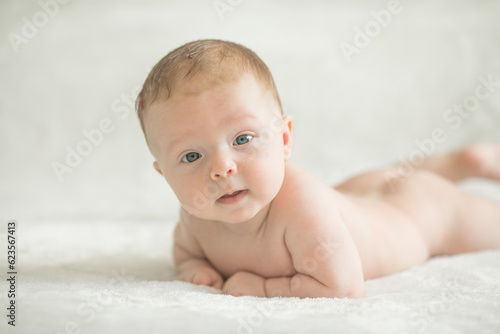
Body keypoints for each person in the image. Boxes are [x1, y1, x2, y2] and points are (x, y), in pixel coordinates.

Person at [135, 39, 500, 298]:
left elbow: (342, 286)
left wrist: (261, 288)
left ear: (284, 140)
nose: (221, 168)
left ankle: (469, 163)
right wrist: (193, 270)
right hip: (355, 192)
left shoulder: (303, 208)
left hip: (422, 213)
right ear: (164, 174)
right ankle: (457, 163)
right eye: (191, 157)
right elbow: (186, 251)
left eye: (243, 139)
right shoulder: (196, 213)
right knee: (376, 186)